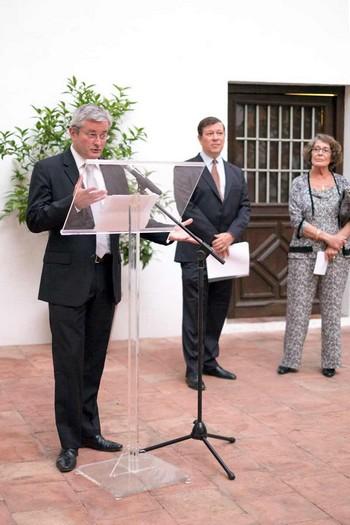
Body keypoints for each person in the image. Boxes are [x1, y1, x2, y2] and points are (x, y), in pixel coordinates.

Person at [26, 103, 195, 472]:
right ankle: (69, 443)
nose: (98, 141)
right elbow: (35, 219)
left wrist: (168, 232)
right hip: (67, 282)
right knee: (68, 365)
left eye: (103, 135)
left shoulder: (114, 171)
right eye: (91, 133)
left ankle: (90, 431)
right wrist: (72, 202)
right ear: (73, 133)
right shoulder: (50, 169)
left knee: (92, 361)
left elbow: (131, 214)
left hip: (105, 279)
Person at [175, 116, 250, 390]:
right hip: (195, 251)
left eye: (220, 133)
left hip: (226, 253)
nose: (216, 138)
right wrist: (214, 238)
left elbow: (245, 208)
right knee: (195, 312)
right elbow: (187, 208)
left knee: (218, 310)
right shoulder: (186, 169)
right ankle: (193, 368)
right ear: (200, 138)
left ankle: (209, 360)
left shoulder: (235, 172)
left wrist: (230, 235)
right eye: (210, 133)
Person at [278, 134, 350, 378]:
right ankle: (290, 360)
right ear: (310, 154)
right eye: (316, 150)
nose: (320, 153)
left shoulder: (343, 183)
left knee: (331, 308)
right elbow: (296, 220)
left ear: (333, 156)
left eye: (325, 150)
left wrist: (336, 241)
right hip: (303, 253)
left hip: (336, 254)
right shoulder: (298, 183)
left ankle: (330, 361)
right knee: (298, 307)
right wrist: (326, 237)